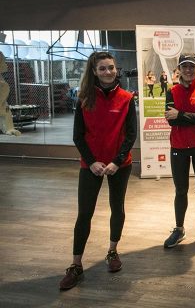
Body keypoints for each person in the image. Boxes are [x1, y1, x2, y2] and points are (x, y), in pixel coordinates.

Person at [59, 51, 137, 291]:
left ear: (116, 69)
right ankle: (76, 265)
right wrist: (92, 161)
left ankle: (112, 251)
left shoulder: (126, 98)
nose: (108, 72)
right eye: (102, 68)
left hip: (119, 165)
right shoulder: (83, 98)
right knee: (84, 214)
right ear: (94, 71)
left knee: (118, 208)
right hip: (90, 165)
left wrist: (117, 161)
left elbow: (131, 134)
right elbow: (78, 136)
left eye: (111, 67)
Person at [163, 53, 195, 250]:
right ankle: (179, 229)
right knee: (180, 190)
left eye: (192, 67)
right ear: (179, 69)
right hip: (178, 147)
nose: (188, 70)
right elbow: (171, 119)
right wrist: (192, 117)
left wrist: (182, 114)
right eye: (184, 67)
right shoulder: (172, 91)